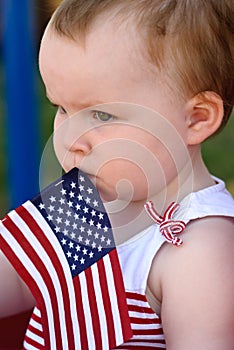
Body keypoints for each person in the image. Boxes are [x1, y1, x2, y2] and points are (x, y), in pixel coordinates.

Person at [1, 0, 234, 349]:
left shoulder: (198, 248)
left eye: (102, 116)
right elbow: (20, 278)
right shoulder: (86, 204)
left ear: (197, 118)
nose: (68, 139)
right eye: (62, 108)